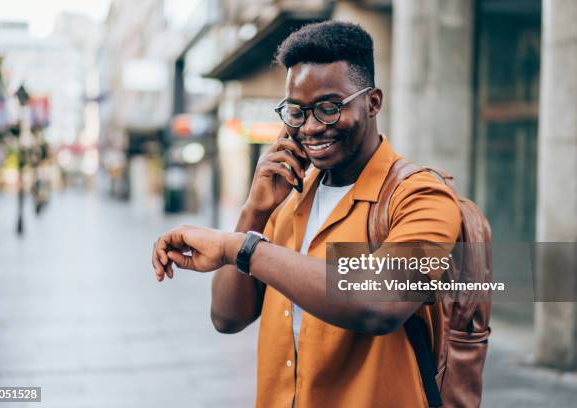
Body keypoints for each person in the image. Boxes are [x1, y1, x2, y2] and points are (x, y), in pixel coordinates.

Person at [152, 21, 461, 408]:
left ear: (373, 102)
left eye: (329, 108)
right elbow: (227, 318)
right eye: (296, 112)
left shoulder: (420, 196)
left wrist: (240, 248)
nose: (311, 127)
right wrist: (255, 210)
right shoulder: (288, 201)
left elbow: (378, 304)